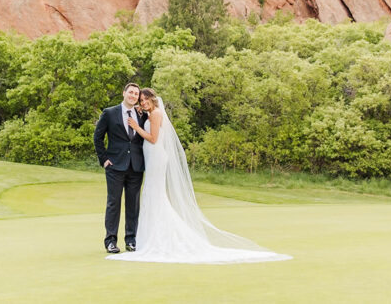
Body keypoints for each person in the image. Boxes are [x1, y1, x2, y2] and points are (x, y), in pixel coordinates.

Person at [107, 87, 291, 264]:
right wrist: (140, 112)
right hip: (151, 158)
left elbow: (153, 138)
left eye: (146, 99)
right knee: (151, 194)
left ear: (153, 100)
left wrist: (135, 127)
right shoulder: (148, 113)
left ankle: (160, 237)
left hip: (156, 158)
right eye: (141, 100)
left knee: (154, 195)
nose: (144, 102)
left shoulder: (156, 114)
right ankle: (149, 236)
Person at [93, 82, 147, 254]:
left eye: (136, 94)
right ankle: (110, 241)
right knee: (113, 203)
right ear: (124, 93)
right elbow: (98, 137)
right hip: (115, 166)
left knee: (133, 205)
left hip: (136, 166)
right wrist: (104, 159)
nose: (133, 96)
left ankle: (131, 240)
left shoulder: (141, 115)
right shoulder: (110, 113)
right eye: (130, 92)